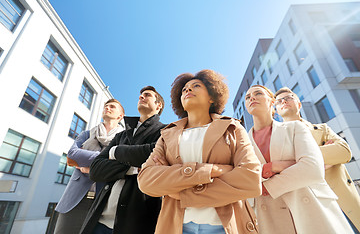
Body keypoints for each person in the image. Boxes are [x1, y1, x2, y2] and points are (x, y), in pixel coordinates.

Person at [138, 70, 262, 234]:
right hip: (177, 226)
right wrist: (212, 170)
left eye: (196, 86)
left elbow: (251, 180)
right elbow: (146, 180)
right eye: (184, 90)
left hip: (224, 226)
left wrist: (177, 188)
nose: (187, 90)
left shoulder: (232, 127)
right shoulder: (167, 134)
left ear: (212, 97)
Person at [245, 85, 353, 234]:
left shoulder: (303, 128)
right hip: (269, 215)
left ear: (271, 102)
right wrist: (299, 161)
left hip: (315, 202)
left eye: (258, 93)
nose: (252, 98)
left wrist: (273, 169)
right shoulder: (242, 143)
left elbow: (330, 158)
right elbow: (243, 177)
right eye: (247, 96)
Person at [80, 86, 166, 234]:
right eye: (140, 95)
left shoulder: (167, 131)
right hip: (98, 220)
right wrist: (133, 169)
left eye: (147, 95)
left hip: (136, 223)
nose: (141, 97)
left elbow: (153, 154)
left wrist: (115, 151)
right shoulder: (122, 135)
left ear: (159, 105)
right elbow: (95, 170)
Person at [274, 86, 360, 233]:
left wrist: (299, 160)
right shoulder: (274, 140)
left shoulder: (322, 129)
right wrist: (322, 158)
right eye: (279, 101)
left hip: (342, 200)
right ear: (276, 111)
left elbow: (344, 152)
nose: (284, 101)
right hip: (309, 206)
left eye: (288, 98)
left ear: (299, 104)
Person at [54, 99, 125, 234]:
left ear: (120, 116)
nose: (107, 108)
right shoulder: (87, 134)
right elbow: (72, 155)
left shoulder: (124, 140)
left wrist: (88, 164)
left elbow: (121, 165)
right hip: (76, 197)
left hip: (104, 201)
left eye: (112, 107)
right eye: (106, 106)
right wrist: (106, 158)